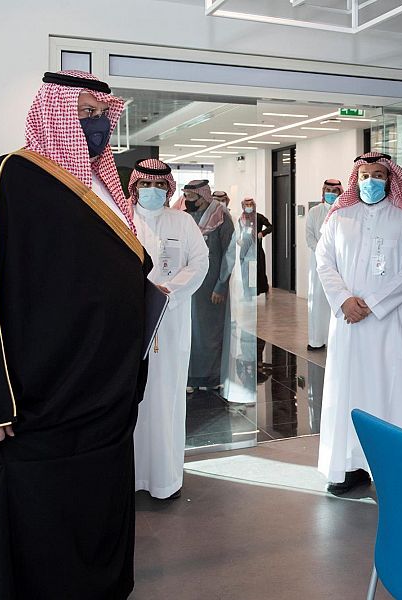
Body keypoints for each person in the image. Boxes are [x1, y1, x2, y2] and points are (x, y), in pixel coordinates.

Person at [0, 70, 150, 599]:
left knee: (97, 523)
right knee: (40, 544)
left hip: (104, 402)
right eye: (84, 113)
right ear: (53, 114)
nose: (97, 125)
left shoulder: (105, 188)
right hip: (40, 408)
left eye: (103, 114)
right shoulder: (8, 179)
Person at [315, 153, 402, 495]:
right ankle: (349, 466)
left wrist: (373, 303)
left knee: (393, 391)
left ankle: (392, 468)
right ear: (355, 180)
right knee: (348, 392)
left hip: (393, 323)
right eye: (364, 175)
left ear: (390, 180)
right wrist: (344, 299)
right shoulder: (339, 217)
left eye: (378, 175)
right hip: (349, 324)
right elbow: (324, 262)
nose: (370, 181)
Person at [130, 161, 209, 500]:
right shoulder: (122, 218)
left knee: (168, 396)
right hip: (131, 321)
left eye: (160, 185)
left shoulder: (183, 222)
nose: (153, 190)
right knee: (133, 399)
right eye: (145, 184)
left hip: (172, 321)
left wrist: (169, 292)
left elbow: (200, 262)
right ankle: (130, 477)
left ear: (169, 189)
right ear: (134, 187)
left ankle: (166, 479)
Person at [175, 181, 235, 393]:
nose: (187, 201)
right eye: (186, 196)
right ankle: (190, 378)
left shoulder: (221, 218)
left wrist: (221, 286)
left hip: (211, 288)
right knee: (189, 332)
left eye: (191, 197)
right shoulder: (184, 217)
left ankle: (211, 378)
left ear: (203, 197)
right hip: (187, 286)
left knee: (210, 334)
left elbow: (229, 254)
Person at [305, 178, 343, 350]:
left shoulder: (343, 211)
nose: (331, 194)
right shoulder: (314, 212)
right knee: (317, 300)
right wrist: (322, 254)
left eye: (334, 191)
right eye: (328, 190)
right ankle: (316, 340)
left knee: (336, 299)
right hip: (318, 262)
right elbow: (309, 237)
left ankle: (334, 340)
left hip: (338, 263)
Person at [238, 197, 272, 297]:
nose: (249, 207)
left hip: (256, 248)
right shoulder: (241, 219)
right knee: (246, 271)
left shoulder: (259, 217)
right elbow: (238, 232)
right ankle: (247, 293)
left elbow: (270, 227)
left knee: (258, 271)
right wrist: (238, 240)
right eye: (247, 205)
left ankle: (262, 290)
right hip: (245, 249)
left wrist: (262, 233)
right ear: (243, 206)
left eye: (250, 205)